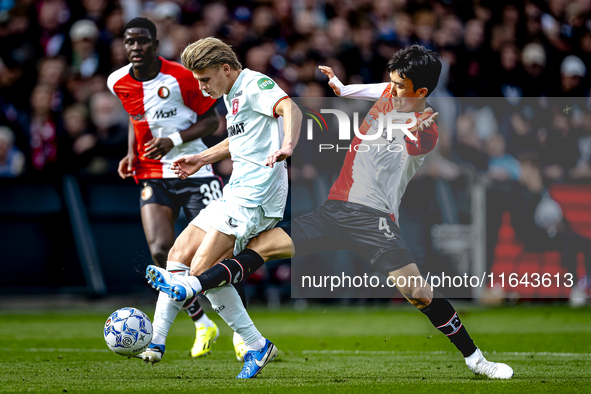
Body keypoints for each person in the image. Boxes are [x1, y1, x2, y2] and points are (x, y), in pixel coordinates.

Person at [169, 45, 514, 379]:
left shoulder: (426, 127)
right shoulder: (394, 91)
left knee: (419, 293)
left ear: (420, 91)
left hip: (374, 220)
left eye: (399, 86)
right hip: (334, 211)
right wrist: (344, 88)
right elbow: (376, 88)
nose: (391, 90)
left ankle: (477, 360)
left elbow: (413, 139)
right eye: (390, 81)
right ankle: (194, 286)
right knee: (260, 246)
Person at [142, 37, 302, 379]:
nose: (201, 87)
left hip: (255, 198)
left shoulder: (257, 84)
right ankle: (156, 340)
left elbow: (292, 108)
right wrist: (201, 157)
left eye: (204, 79)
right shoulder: (232, 93)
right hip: (235, 192)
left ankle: (255, 344)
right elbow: (240, 138)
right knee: (177, 255)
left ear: (225, 68)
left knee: (204, 271)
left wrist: (288, 145)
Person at [107, 18, 246, 361]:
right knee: (160, 251)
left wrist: (174, 139)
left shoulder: (181, 76)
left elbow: (214, 121)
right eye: (129, 42)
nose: (135, 47)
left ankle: (242, 333)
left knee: (213, 256)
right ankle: (201, 323)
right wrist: (131, 152)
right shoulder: (117, 81)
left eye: (142, 41)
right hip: (152, 172)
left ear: (155, 44)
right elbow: (135, 116)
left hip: (195, 169)